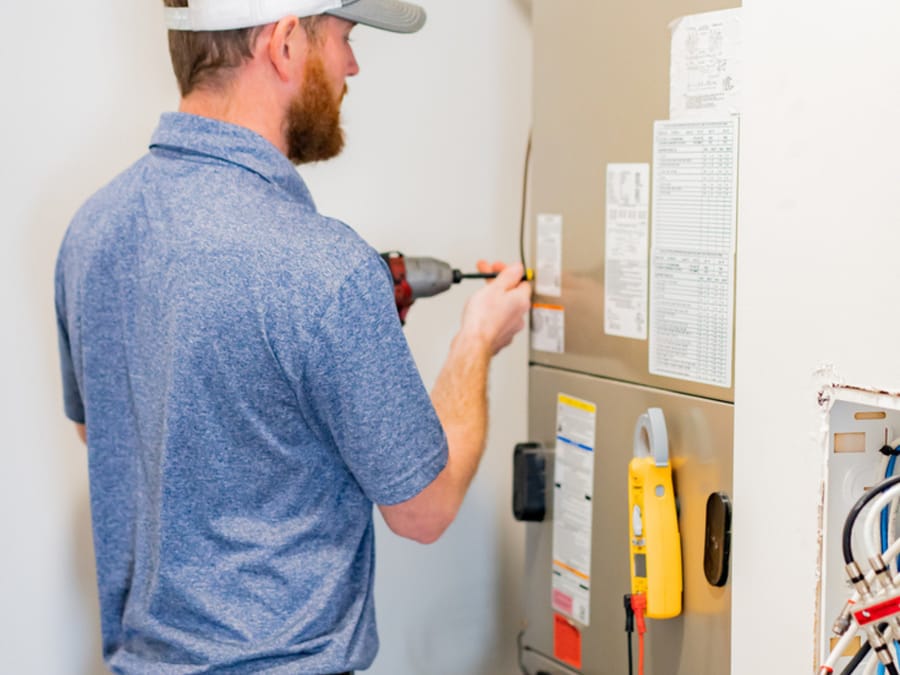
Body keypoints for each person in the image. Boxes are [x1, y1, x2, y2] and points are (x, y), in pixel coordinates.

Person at [54, 1, 532, 673]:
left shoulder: (93, 230)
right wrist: (475, 342)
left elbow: (110, 428)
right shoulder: (323, 268)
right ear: (283, 44)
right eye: (344, 38)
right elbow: (426, 509)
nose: (352, 66)